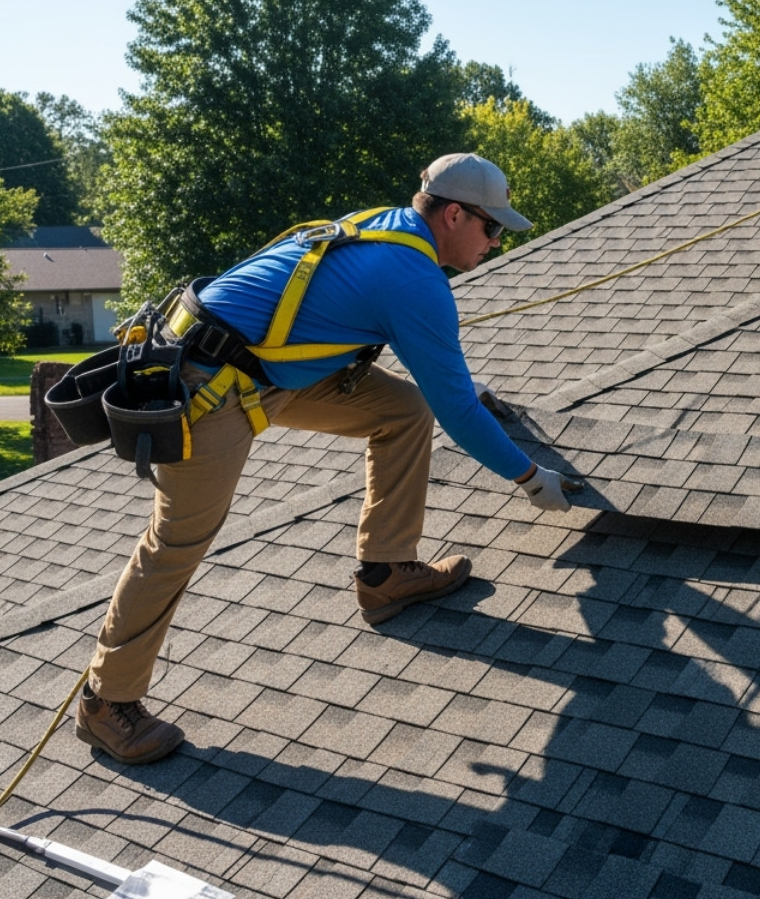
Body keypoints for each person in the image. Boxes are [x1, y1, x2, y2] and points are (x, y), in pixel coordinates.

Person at [76, 153, 579, 765]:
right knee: (177, 540)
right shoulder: (413, 278)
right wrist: (529, 478)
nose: (496, 242)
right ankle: (107, 703)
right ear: (453, 214)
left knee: (403, 411)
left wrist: (451, 386)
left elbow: (364, 333)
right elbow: (462, 418)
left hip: (262, 365)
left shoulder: (389, 225)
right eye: (492, 228)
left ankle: (385, 572)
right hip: (206, 384)